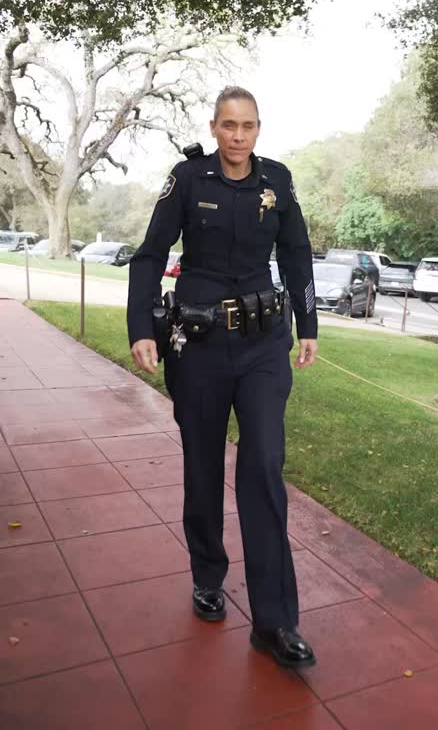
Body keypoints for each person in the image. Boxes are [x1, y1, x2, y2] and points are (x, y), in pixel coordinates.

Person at [127, 86, 318, 669]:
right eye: (229, 125)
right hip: (200, 346)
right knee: (204, 465)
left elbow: (298, 253)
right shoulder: (187, 181)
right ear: (214, 128)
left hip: (262, 344)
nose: (239, 136)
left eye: (249, 126)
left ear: (259, 129)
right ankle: (208, 575)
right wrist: (141, 327)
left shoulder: (278, 181)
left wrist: (308, 323)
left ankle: (275, 620)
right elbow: (150, 255)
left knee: (262, 465)